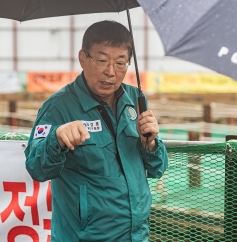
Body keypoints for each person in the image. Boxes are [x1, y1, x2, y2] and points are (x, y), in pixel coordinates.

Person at [24, 20, 168, 241]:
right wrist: (57, 139)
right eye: (101, 60)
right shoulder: (58, 107)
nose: (110, 72)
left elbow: (157, 168)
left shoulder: (134, 100)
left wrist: (150, 144)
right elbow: (36, 167)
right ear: (83, 58)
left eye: (121, 63)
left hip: (136, 235)